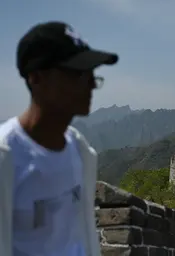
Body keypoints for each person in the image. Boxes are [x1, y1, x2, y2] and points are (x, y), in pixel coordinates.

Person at [0, 21, 119, 255]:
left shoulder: (80, 152)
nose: (91, 85)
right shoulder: (7, 156)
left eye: (92, 74)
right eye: (78, 74)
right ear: (36, 78)